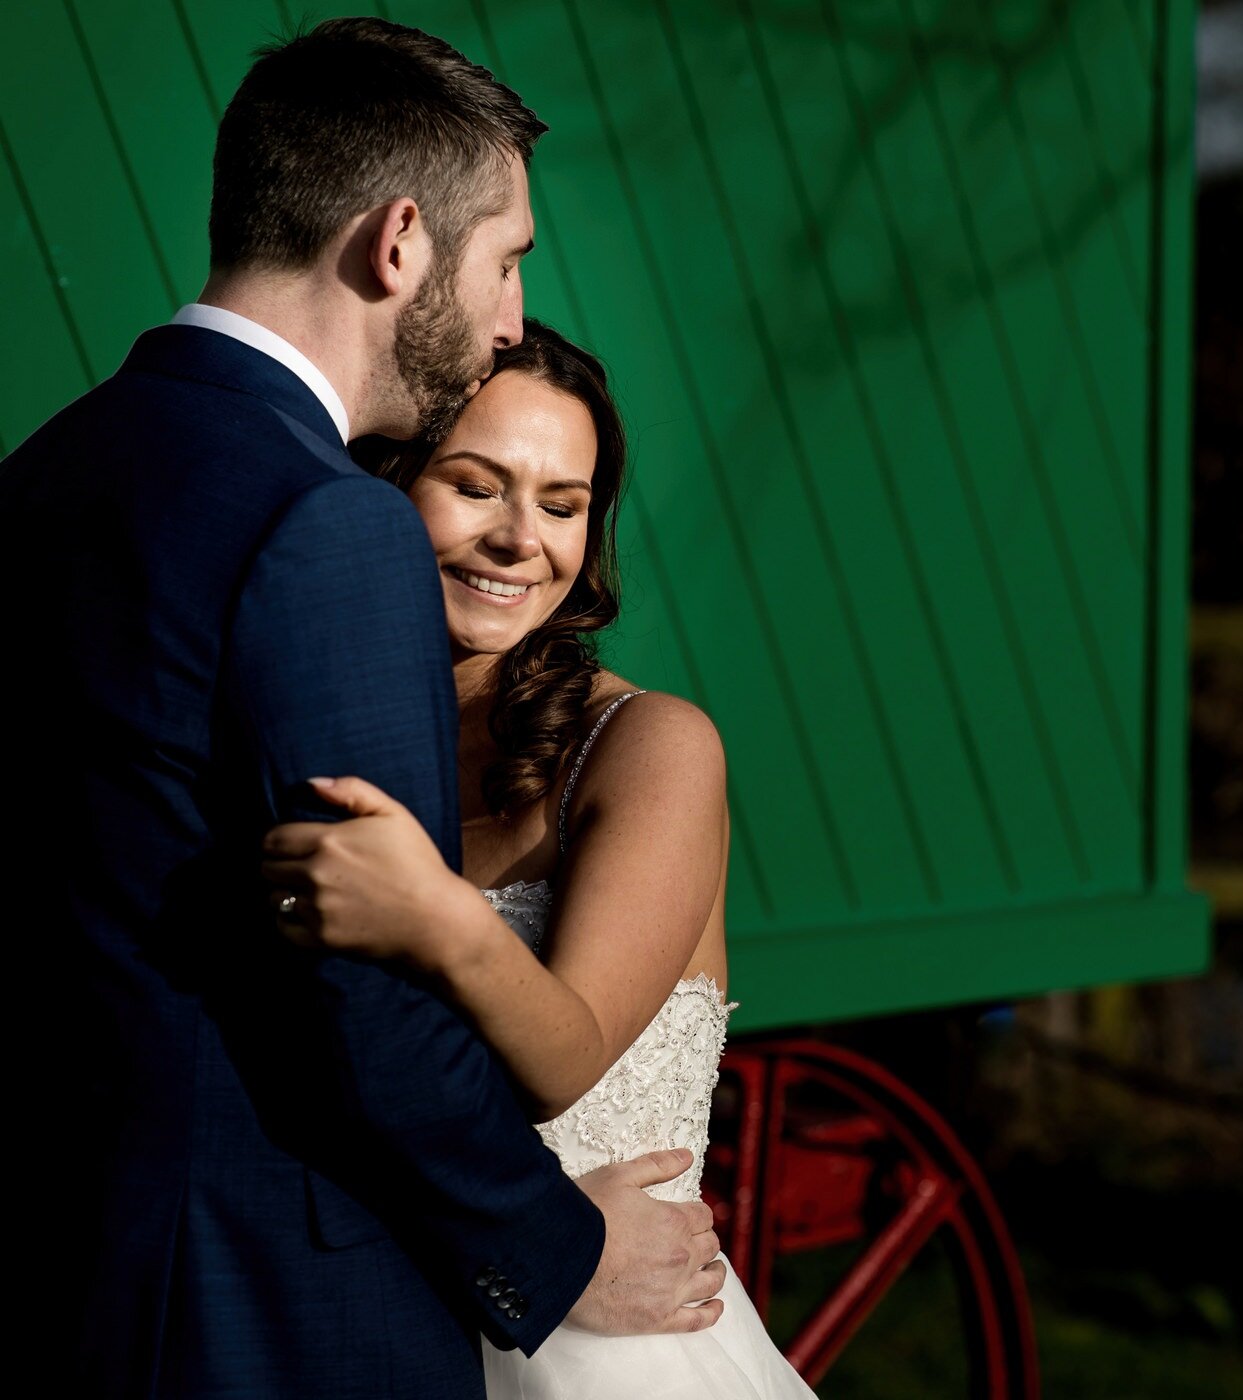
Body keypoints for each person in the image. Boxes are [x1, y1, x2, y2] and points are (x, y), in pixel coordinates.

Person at [3, 20, 722, 1395]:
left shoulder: (44, 471)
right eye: (506, 258)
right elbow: (360, 1004)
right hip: (270, 1304)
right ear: (399, 243)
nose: (512, 315)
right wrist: (558, 1251)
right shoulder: (325, 522)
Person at [263, 318, 817, 1398]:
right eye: (477, 486)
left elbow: (564, 1057)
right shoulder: (318, 730)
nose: (523, 538)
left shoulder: (651, 747)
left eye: (562, 505)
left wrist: (437, 912)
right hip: (385, 1318)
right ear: (387, 485)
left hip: (619, 1356)